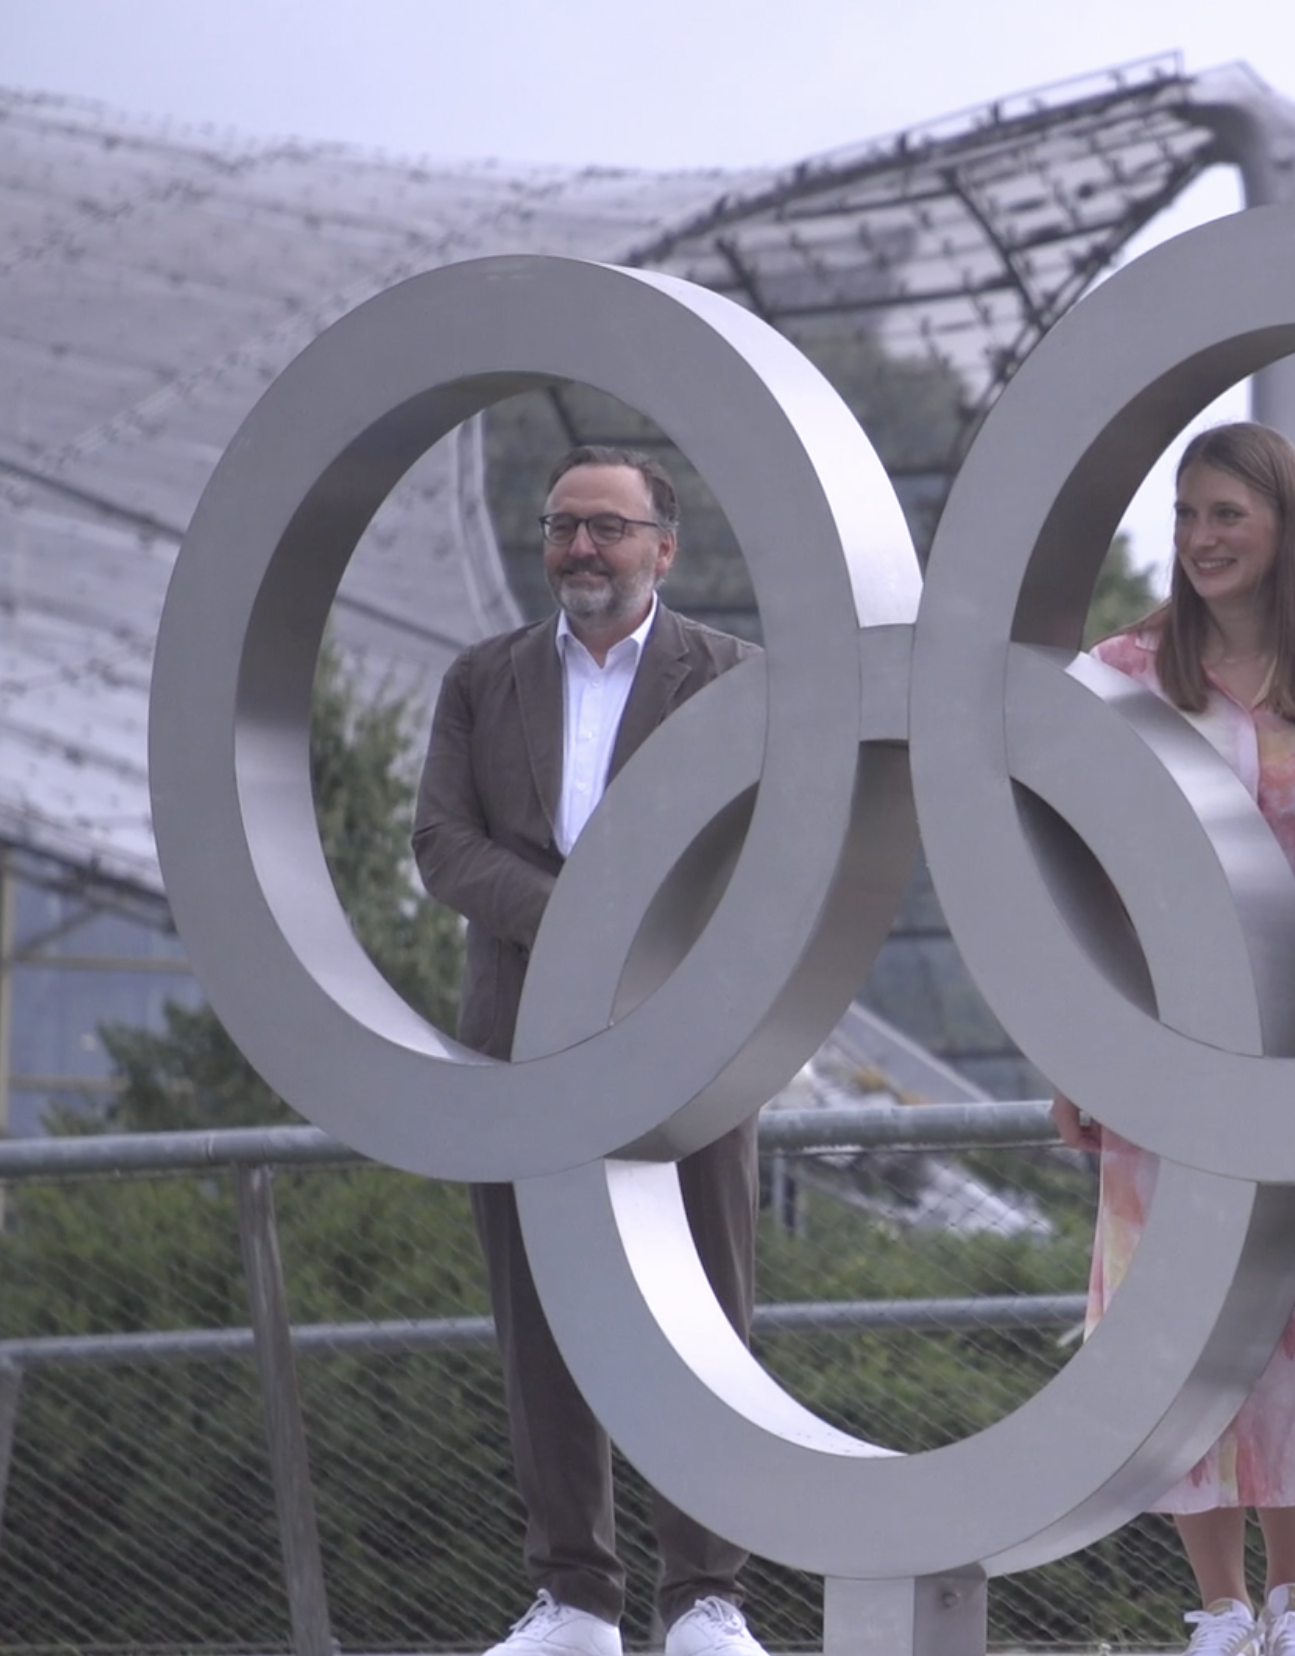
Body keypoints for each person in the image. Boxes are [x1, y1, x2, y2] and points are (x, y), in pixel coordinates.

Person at [413, 446, 768, 1656]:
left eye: (607, 528)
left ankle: (705, 1596)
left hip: (686, 1038)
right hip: (522, 1039)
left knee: (702, 1309)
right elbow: (442, 844)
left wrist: (640, 938)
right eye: (563, 524)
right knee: (540, 1313)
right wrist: (581, 922)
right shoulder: (483, 677)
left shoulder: (735, 679)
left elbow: (770, 844)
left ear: (664, 547)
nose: (580, 547)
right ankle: (574, 1598)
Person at [1048, 422, 1295, 1656]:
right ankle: (1219, 1605)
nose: (1199, 539)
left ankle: (1294, 1601)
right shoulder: (1121, 673)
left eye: (1225, 515)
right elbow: (1075, 876)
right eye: (1186, 514)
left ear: (1283, 524)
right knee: (1176, 1307)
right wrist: (1081, 1046)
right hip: (1168, 1036)